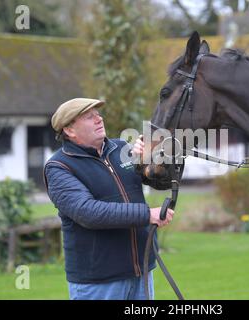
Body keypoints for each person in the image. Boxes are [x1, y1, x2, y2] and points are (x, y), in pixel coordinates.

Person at [43, 98, 175, 300]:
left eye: (98, 114)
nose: (99, 119)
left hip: (142, 272)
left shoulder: (121, 147)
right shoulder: (59, 167)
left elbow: (159, 182)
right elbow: (88, 212)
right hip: (99, 281)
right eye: (89, 117)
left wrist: (152, 162)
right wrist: (147, 215)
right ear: (69, 130)